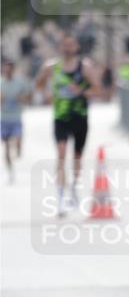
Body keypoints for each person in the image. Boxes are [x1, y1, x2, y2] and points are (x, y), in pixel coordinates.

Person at [35, 32, 101, 216]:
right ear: (60, 47)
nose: (68, 48)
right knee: (61, 153)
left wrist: (80, 91)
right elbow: (39, 83)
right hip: (60, 117)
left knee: (77, 157)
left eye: (71, 45)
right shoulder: (51, 67)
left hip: (80, 116)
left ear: (77, 47)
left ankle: (74, 187)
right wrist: (46, 95)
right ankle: (61, 197)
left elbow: (97, 90)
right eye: (65, 45)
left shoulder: (85, 67)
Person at [1, 58, 32, 182]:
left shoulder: (20, 83)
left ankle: (19, 147)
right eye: (5, 68)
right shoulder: (1, 83)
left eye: (9, 69)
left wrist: (21, 98)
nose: (7, 71)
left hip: (16, 118)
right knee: (6, 147)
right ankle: (10, 171)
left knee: (18, 140)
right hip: (3, 119)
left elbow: (29, 97)